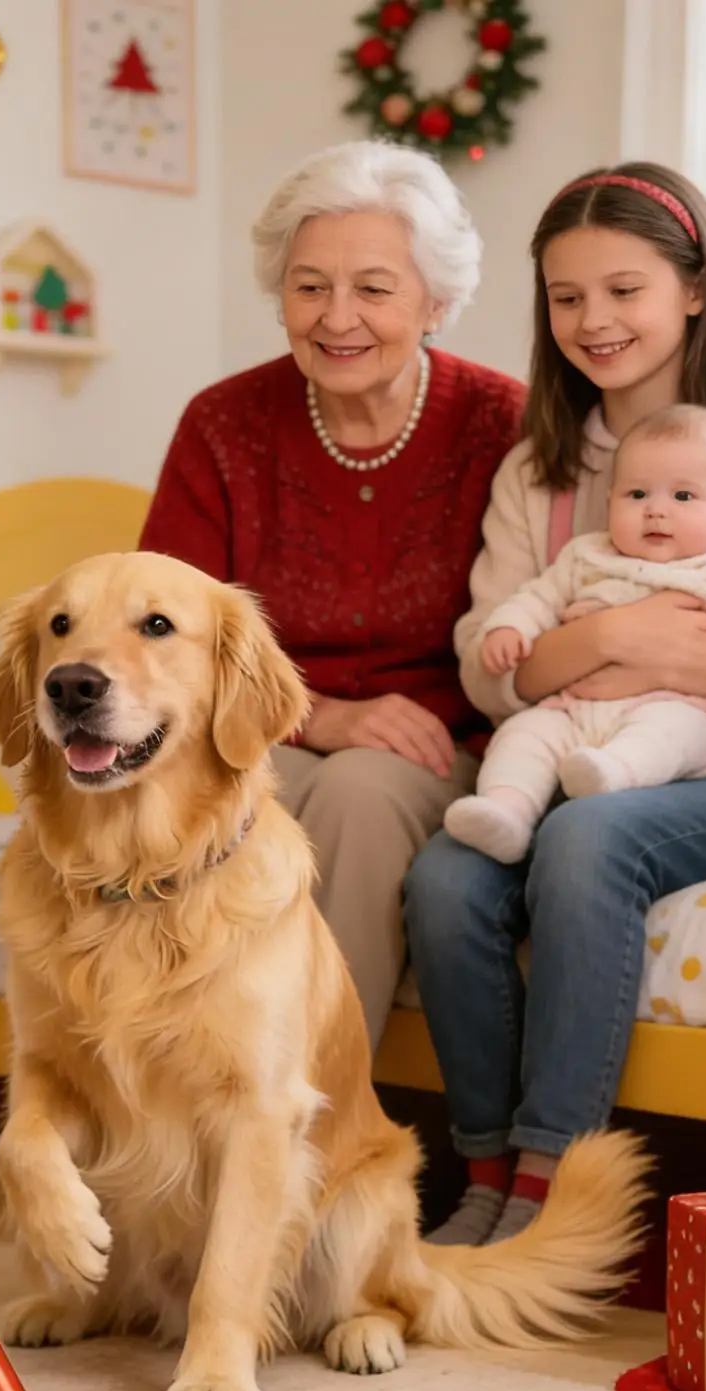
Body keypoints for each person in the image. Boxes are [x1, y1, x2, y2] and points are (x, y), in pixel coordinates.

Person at [404, 164, 706, 1247]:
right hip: (572, 757)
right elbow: (483, 663)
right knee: (447, 876)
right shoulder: (538, 468)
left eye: (622, 289)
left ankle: (556, 1181)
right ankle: (483, 1168)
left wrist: (636, 659)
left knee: (589, 841)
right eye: (564, 296)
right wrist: (603, 640)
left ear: (691, 290)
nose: (591, 320)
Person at [138, 139, 525, 1052]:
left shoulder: (503, 421)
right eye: (309, 286)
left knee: (352, 795)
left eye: (374, 288)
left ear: (435, 301)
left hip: (445, 744)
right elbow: (160, 643)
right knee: (201, 805)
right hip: (261, 732)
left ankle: (311, 1120)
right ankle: (168, 1117)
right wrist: (325, 717)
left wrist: (355, 735)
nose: (336, 317)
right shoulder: (223, 422)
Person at [445, 403, 706, 863]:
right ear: (611, 503)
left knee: (669, 731)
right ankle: (506, 810)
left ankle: (615, 773)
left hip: (692, 710)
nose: (656, 511)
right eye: (637, 495)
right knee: (526, 733)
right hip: (579, 712)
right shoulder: (589, 556)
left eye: (683, 498)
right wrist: (509, 627)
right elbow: (536, 597)